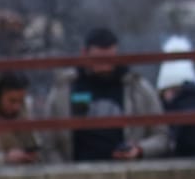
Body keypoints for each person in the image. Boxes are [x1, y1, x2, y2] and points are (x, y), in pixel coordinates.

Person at [43, 26, 169, 162]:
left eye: (110, 59)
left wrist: (139, 149)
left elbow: (162, 136)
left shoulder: (137, 88)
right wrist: (63, 172)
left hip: (127, 173)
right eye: (98, 59)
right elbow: (49, 142)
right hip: (77, 173)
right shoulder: (64, 88)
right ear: (84, 54)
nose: (105, 66)